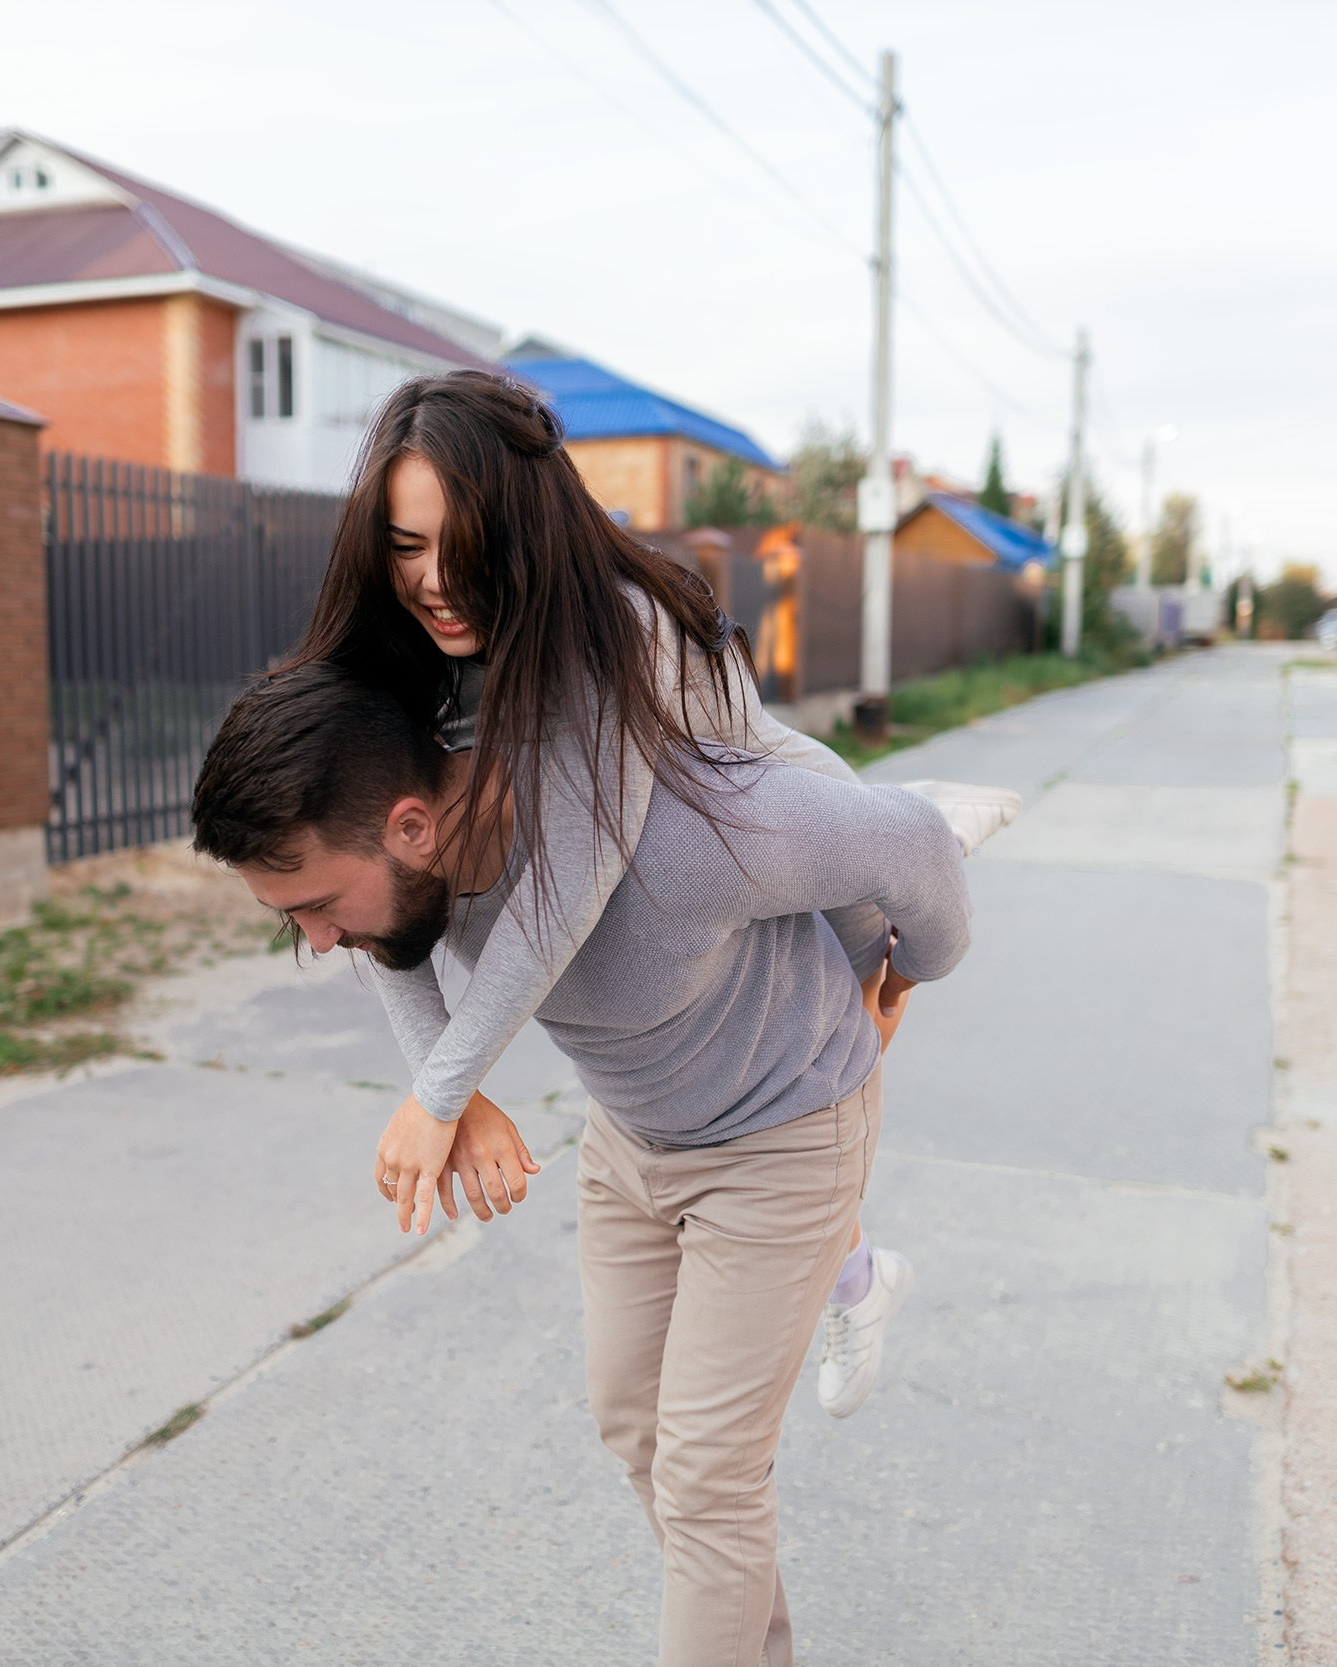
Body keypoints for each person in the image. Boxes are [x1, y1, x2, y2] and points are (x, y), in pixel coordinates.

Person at [189, 661, 988, 1667]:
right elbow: (387, 949)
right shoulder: (407, 881)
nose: (316, 939)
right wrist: (453, 1085)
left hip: (784, 1136)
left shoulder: (680, 838)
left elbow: (909, 841)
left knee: (707, 1477)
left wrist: (906, 970)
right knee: (639, 1433)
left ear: (410, 826)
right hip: (631, 1139)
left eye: (313, 903)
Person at [280, 369, 1018, 1416]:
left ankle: (929, 812)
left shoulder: (617, 628)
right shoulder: (407, 655)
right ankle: (858, 1278)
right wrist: (448, 1083)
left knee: (849, 982)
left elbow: (573, 879)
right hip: (713, 856)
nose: (434, 579)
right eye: (405, 547)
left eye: (463, 544)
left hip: (768, 805)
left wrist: (439, 1093)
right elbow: (390, 910)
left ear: (525, 530)